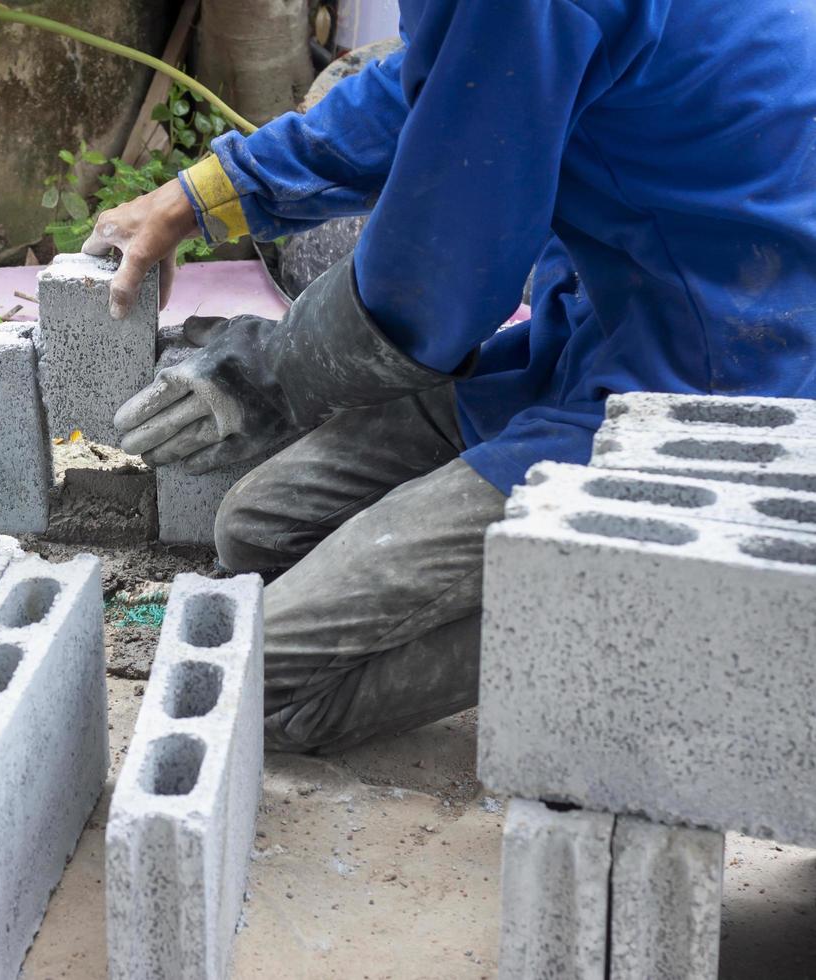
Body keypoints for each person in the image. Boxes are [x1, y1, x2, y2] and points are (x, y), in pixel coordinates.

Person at [83, 0, 816, 754]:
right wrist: (202, 194)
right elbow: (442, 85)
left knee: (249, 694)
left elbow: (439, 278)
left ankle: (648, 616)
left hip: (714, 383)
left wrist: (276, 374)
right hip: (604, 324)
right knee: (255, 534)